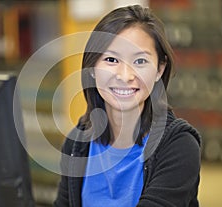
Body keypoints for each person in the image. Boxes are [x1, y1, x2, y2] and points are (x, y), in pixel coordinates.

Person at [54, 5, 201, 207]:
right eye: (111, 59)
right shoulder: (77, 143)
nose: (125, 76)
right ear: (92, 68)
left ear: (160, 69)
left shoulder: (179, 146)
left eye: (140, 61)